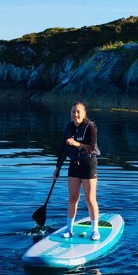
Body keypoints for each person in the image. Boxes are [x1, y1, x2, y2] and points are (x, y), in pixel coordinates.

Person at [56, 101, 101, 240]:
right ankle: (69, 229)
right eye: (72, 112)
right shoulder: (68, 127)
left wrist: (76, 144)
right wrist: (57, 168)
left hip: (88, 163)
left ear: (84, 113)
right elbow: (63, 149)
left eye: (78, 112)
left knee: (89, 198)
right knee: (73, 197)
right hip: (74, 164)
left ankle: (95, 231)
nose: (75, 114)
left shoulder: (90, 126)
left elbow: (91, 147)